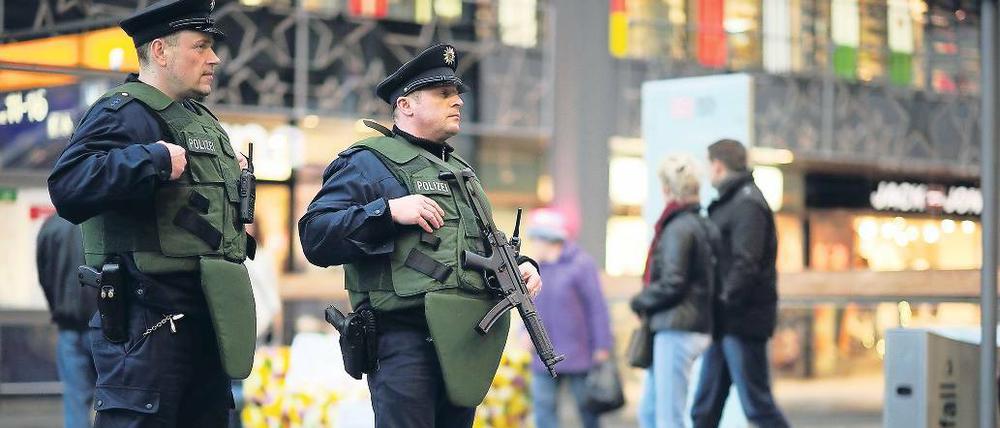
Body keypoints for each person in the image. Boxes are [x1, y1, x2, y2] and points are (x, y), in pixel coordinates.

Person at [298, 43, 542, 427]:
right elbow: (315, 236)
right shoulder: (366, 161)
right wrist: (388, 212)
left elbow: (480, 241)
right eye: (444, 94)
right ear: (406, 105)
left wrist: (522, 266)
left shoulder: (461, 171)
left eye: (457, 93)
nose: (458, 101)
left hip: (461, 339)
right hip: (403, 339)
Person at [48, 0, 257, 425]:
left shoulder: (200, 120)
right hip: (147, 328)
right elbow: (67, 185)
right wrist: (152, 160)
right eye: (200, 46)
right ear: (160, 51)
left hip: (204, 321)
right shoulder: (125, 111)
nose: (213, 58)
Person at [690, 139, 789, 428]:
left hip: (741, 321)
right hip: (726, 322)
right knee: (704, 410)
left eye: (709, 166)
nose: (708, 173)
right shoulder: (735, 201)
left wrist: (720, 300)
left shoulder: (747, 204)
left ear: (718, 166)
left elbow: (746, 265)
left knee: (757, 406)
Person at [629, 155, 717, 428]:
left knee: (668, 418)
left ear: (668, 189)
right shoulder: (702, 224)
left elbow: (673, 283)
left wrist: (639, 301)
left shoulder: (679, 227)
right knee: (651, 413)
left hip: (677, 328)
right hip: (688, 325)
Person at [527, 207, 612, 428]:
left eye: (536, 239)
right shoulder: (533, 269)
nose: (533, 245)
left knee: (587, 413)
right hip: (542, 355)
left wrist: (602, 346)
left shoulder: (581, 264)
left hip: (578, 354)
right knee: (543, 412)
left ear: (550, 240)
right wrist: (523, 333)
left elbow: (596, 307)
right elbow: (527, 306)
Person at [36, 213, 98, 428]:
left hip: (68, 327)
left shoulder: (51, 226)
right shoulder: (101, 222)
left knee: (75, 402)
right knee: (115, 399)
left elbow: (44, 275)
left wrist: (58, 308)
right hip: (104, 328)